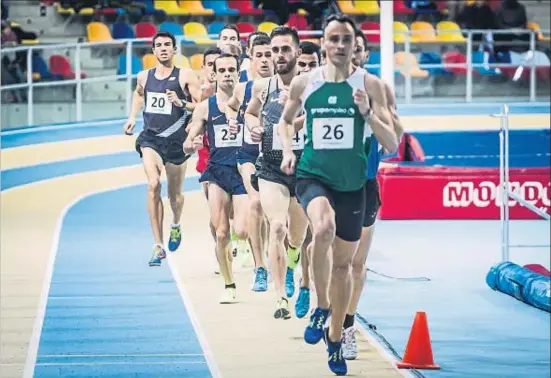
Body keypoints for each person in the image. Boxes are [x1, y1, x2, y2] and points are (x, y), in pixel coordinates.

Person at [277, 14, 398, 375]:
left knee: (344, 266)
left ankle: (334, 340)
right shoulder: (305, 82)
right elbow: (285, 121)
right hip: (313, 175)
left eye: (347, 40)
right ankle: (320, 306)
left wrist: (367, 115)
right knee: (323, 228)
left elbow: (391, 144)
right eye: (334, 39)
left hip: (353, 185)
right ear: (325, 43)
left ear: (354, 44)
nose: (340, 46)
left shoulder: (371, 85)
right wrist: (287, 151)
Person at [340, 28, 405, 360]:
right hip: (328, 182)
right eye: (347, 46)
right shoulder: (322, 86)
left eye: (359, 48)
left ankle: (347, 325)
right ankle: (325, 306)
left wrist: (378, 121)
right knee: (326, 254)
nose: (352, 53)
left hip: (365, 182)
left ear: (364, 54)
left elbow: (396, 134)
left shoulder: (378, 89)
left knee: (356, 262)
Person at [244, 26, 309, 319]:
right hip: (271, 168)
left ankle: (293, 260)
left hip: (305, 169)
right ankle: (280, 296)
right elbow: (248, 112)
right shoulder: (262, 87)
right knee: (277, 226)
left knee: (297, 237)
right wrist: (253, 127)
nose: (279, 55)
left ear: (297, 51)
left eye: (285, 49)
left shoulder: (313, 86)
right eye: (274, 50)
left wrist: (294, 120)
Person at [123, 31, 201, 266]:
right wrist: (132, 117)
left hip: (177, 142)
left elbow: (200, 106)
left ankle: (175, 224)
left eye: (168, 45)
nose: (163, 49)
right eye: (159, 45)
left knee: (174, 196)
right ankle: (158, 246)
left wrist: (181, 103)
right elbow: (138, 95)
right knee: (153, 184)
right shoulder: (144, 76)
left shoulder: (185, 75)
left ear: (174, 49)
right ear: (154, 50)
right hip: (151, 139)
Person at [184, 53, 249, 304]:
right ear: (215, 73)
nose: (227, 74)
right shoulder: (205, 107)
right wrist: (192, 143)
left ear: (238, 72)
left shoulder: (249, 105)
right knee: (221, 233)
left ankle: (246, 249)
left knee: (241, 230)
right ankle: (229, 284)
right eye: (221, 70)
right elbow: (187, 144)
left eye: (231, 69)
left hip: (243, 169)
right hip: (217, 171)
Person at [226, 34, 274, 292]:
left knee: (280, 218)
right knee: (256, 203)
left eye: (269, 55)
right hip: (248, 155)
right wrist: (233, 120)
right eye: (260, 55)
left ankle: (286, 258)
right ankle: (260, 268)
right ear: (251, 58)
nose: (265, 60)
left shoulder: (287, 87)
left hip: (277, 157)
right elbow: (232, 107)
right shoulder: (243, 89)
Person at [293, 40, 322, 319]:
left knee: (315, 232)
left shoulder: (325, 91)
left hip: (315, 168)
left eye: (312, 65)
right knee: (296, 233)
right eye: (302, 64)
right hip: (286, 166)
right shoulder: (288, 90)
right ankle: (297, 275)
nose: (306, 69)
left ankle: (308, 287)